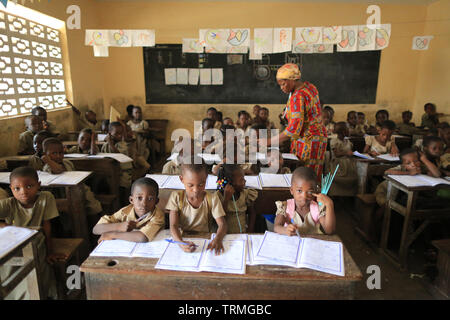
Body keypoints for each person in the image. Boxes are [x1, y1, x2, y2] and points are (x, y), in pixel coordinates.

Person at [0, 167, 65, 299]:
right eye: (16, 189)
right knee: (6, 265)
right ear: (11, 189)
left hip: (37, 240)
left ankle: (37, 293)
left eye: (29, 186)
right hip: (14, 242)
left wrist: (50, 251)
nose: (23, 192)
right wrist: (3, 225)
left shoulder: (46, 198)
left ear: (39, 185)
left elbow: (47, 226)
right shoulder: (9, 204)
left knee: (36, 262)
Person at [259, 63, 327, 177]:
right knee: (314, 174)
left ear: (293, 79)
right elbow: (308, 113)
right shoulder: (309, 87)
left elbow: (293, 130)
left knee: (304, 176)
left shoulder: (297, 96)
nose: (282, 88)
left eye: (284, 84)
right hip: (319, 137)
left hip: (307, 140)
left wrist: (269, 141)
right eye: (280, 85)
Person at [166, 161, 227, 254]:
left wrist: (218, 239)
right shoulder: (177, 197)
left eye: (201, 184)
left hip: (205, 240)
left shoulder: (212, 198)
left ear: (206, 178)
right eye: (190, 185)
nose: (196, 190)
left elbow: (222, 224)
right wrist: (180, 242)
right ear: (182, 179)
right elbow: (173, 226)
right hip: (183, 238)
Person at [41, 138, 103, 218]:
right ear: (45, 154)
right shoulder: (48, 167)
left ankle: (94, 218)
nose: (58, 156)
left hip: (76, 190)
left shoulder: (68, 163)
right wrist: (47, 160)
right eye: (54, 153)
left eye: (61, 153)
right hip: (61, 193)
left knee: (91, 202)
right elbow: (58, 170)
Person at [93, 177, 165, 242]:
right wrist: (119, 226)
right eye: (139, 198)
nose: (144, 203)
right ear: (131, 200)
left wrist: (113, 234)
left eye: (150, 199)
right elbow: (96, 229)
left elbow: (142, 237)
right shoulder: (125, 212)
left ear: (156, 201)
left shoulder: (157, 216)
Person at [273, 167, 336, 236]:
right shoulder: (285, 206)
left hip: (312, 243)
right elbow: (276, 227)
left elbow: (329, 230)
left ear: (316, 191)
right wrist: (285, 230)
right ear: (292, 190)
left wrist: (330, 204)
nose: (304, 196)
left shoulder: (316, 208)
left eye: (309, 192)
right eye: (299, 191)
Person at [216, 164, 258, 233]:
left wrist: (250, 230)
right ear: (229, 183)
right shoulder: (218, 196)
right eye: (241, 180)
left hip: (242, 233)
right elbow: (221, 217)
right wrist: (226, 199)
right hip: (224, 235)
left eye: (244, 178)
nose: (244, 181)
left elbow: (252, 213)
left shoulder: (246, 194)